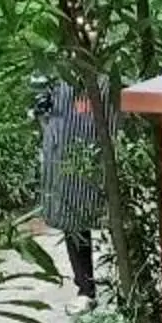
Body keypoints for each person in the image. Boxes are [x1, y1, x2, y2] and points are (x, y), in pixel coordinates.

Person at [35, 74, 107, 305]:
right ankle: (85, 289)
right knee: (73, 221)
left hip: (104, 156)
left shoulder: (111, 75)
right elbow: (38, 111)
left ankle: (133, 287)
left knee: (119, 220)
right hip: (65, 154)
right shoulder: (53, 74)